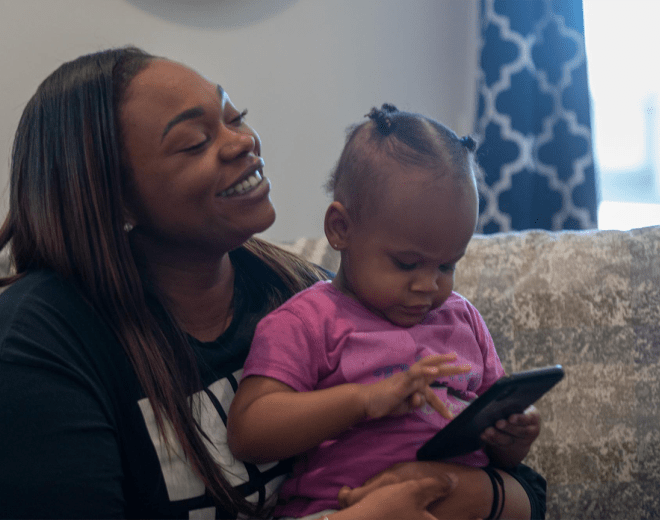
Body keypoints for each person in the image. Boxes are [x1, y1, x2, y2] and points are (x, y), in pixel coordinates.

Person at [0, 46, 542, 519]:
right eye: (196, 141)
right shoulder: (38, 349)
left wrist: (459, 489)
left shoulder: (298, 289)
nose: (243, 143)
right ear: (113, 199)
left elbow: (523, 492)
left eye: (235, 118)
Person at [227, 105, 546, 520]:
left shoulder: (461, 319)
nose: (429, 286)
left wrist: (513, 436)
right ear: (341, 229)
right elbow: (249, 430)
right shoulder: (306, 322)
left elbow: (497, 451)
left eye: (447, 265)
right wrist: (364, 400)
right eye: (407, 264)